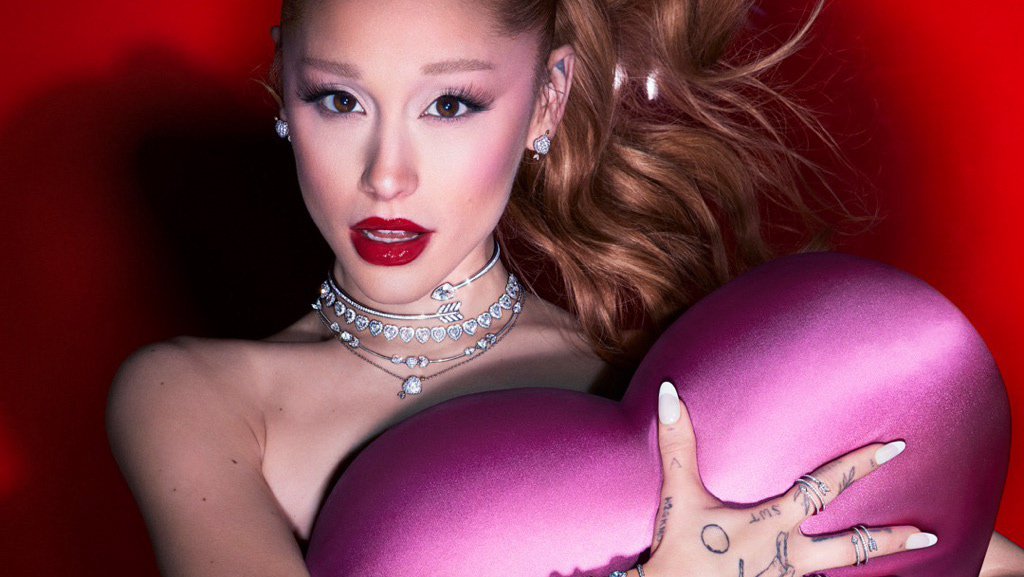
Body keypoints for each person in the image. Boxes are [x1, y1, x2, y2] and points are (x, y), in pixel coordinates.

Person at [106, 0, 1024, 575]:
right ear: (284, 87)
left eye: (450, 104)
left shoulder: (666, 387)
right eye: (338, 100)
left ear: (547, 99)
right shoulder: (198, 399)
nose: (387, 175)